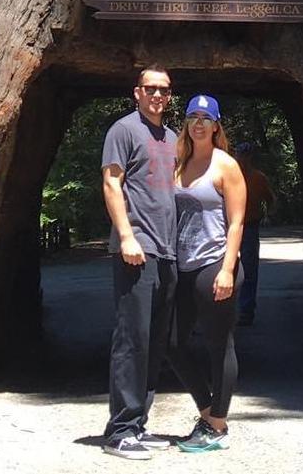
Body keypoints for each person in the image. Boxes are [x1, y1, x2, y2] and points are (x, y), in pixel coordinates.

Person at [101, 65, 179, 461]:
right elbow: (111, 182)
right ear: (136, 92)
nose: (157, 95)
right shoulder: (124, 130)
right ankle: (119, 431)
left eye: (164, 90)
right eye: (150, 88)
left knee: (154, 342)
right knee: (132, 340)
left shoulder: (172, 137)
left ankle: (137, 423)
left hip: (167, 251)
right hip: (137, 249)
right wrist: (127, 236)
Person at [170, 93, 247, 453]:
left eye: (205, 117)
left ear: (216, 126)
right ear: (186, 125)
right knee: (170, 341)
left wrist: (228, 269)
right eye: (192, 117)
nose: (198, 123)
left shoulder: (225, 165)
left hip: (214, 263)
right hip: (183, 266)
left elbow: (236, 222)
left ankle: (217, 426)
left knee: (219, 345)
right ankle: (207, 410)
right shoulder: (179, 162)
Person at [232, 144, 273, 326]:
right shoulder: (229, 175)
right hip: (230, 227)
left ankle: (247, 310)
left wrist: (269, 215)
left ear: (251, 157)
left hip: (249, 226)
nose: (243, 159)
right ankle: (225, 310)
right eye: (241, 155)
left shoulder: (258, 178)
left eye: (246, 155)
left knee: (249, 269)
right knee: (226, 267)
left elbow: (270, 199)